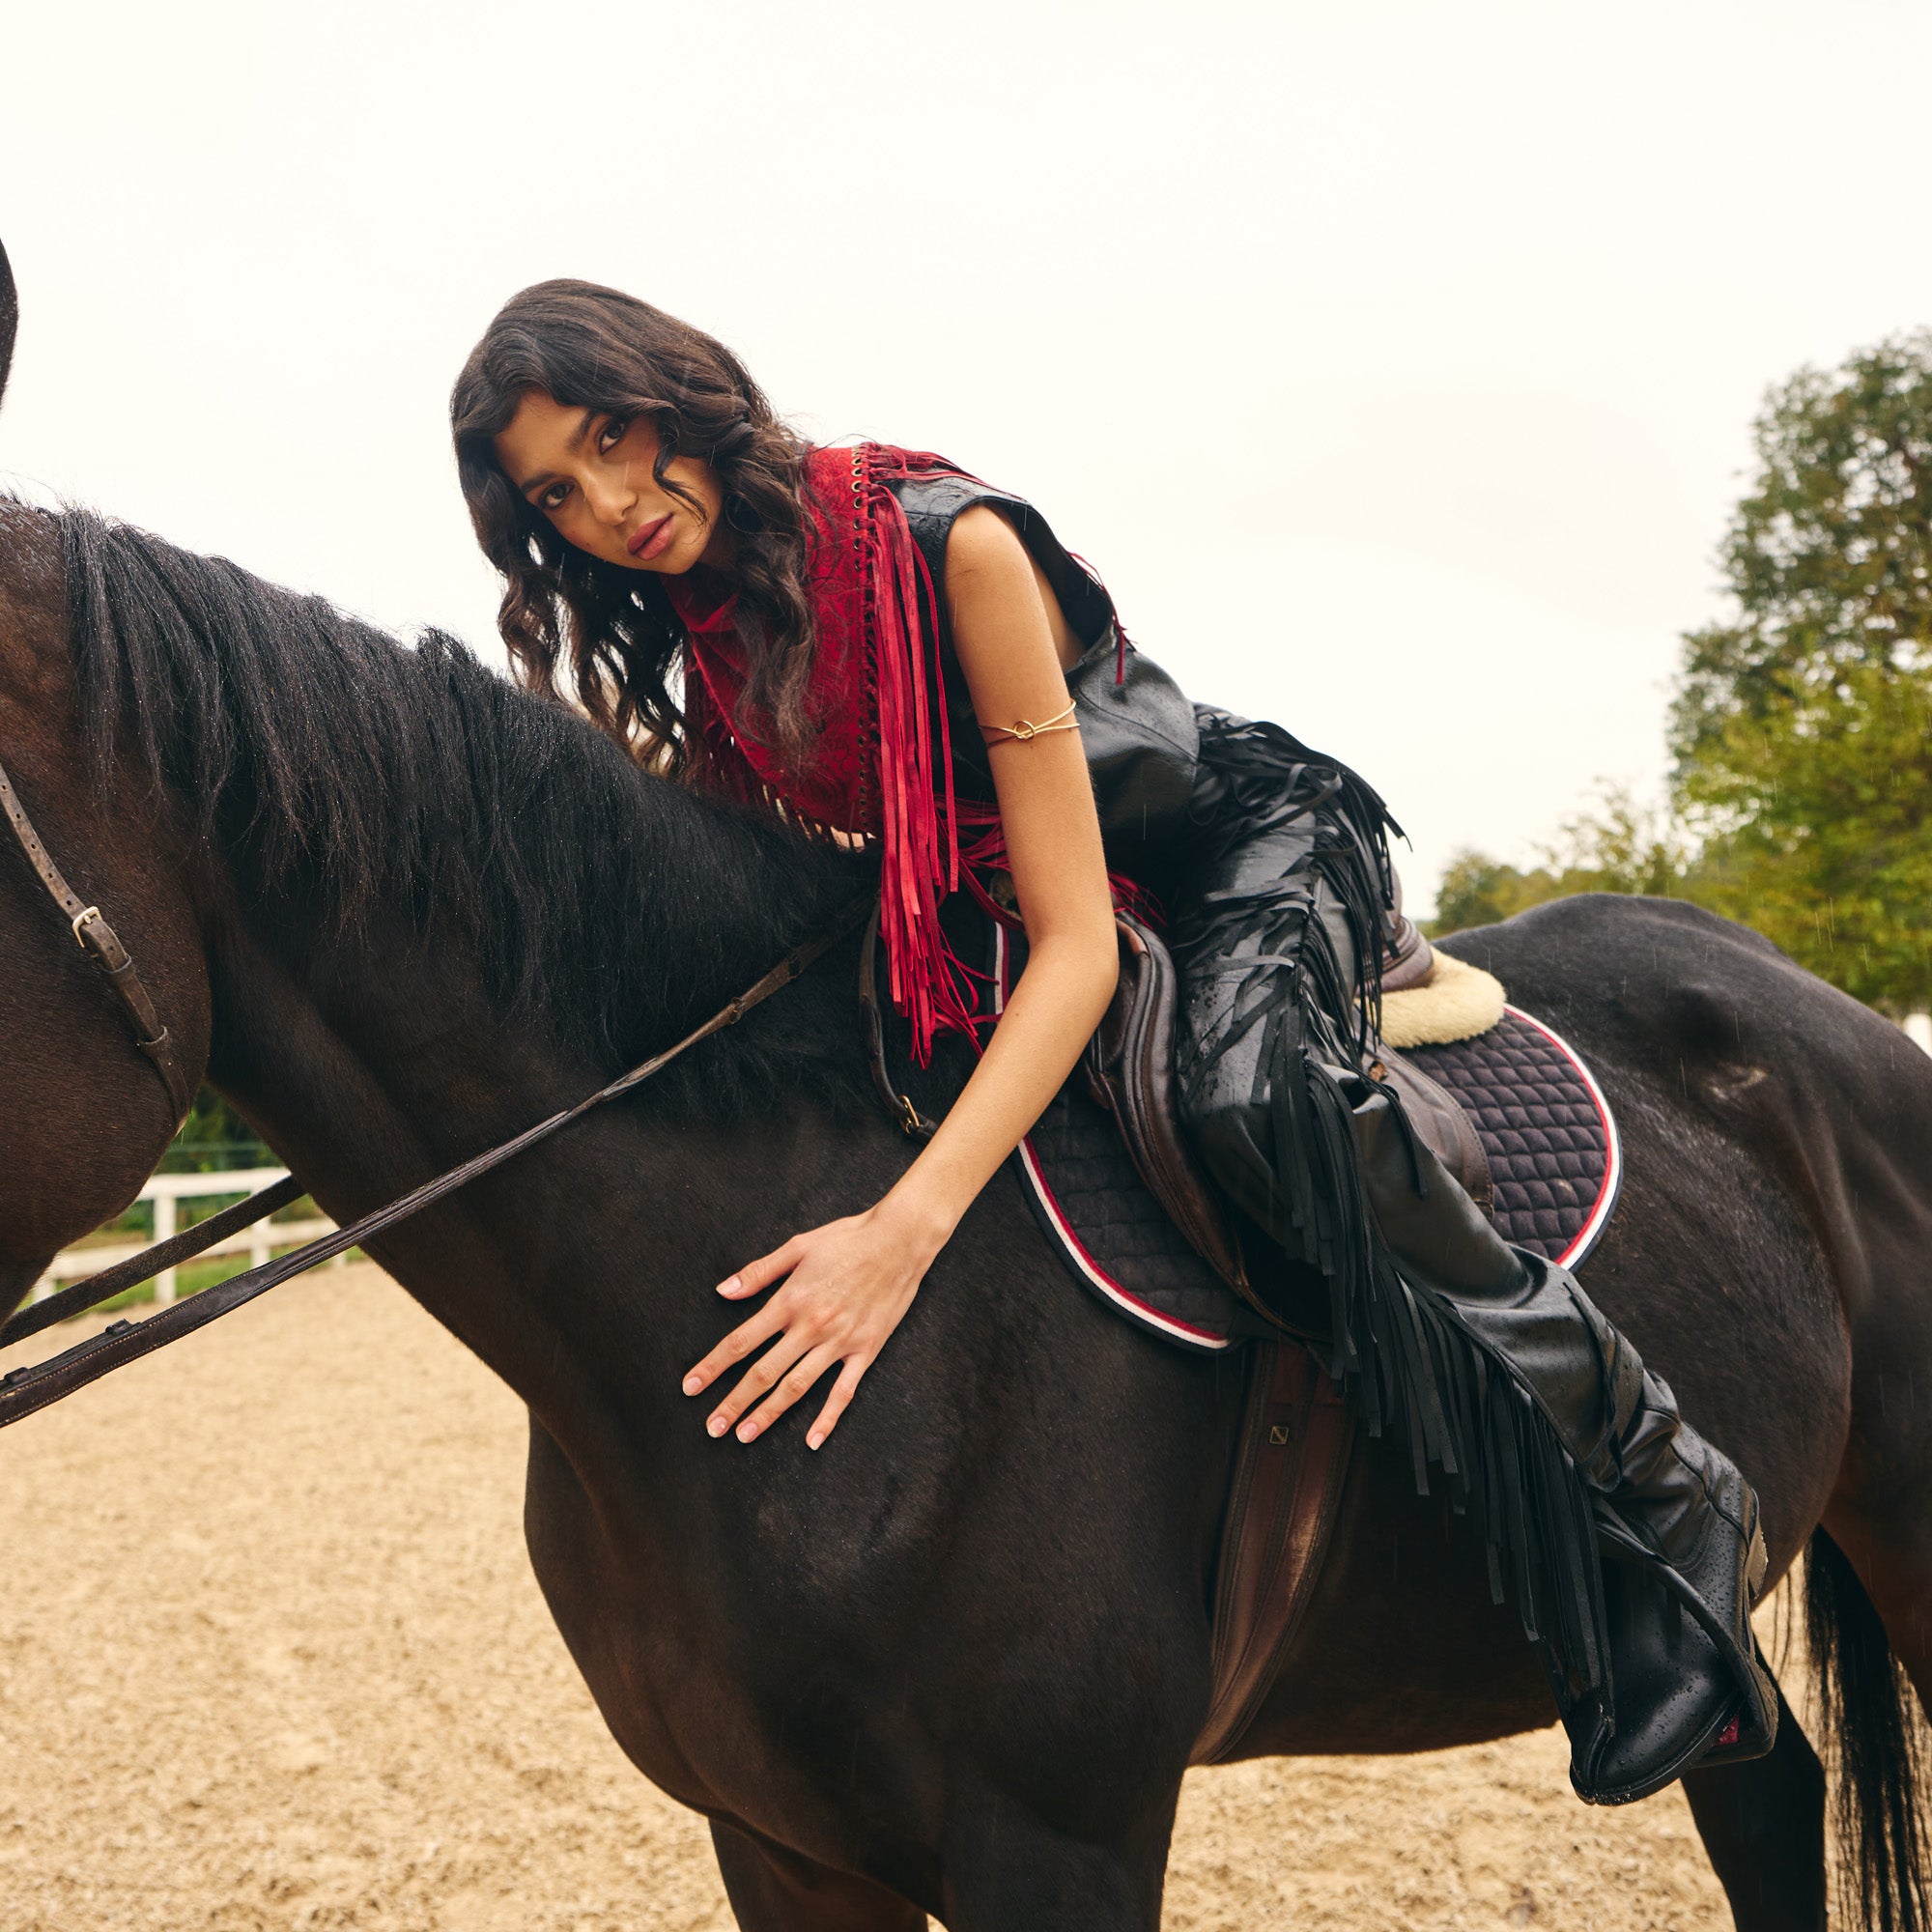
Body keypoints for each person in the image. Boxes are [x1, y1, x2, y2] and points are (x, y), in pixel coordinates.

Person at [449, 281, 1775, 1805]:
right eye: (560, 490)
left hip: (1236, 849)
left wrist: (904, 1231)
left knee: (1246, 1090)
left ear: (681, 393)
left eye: (617, 441)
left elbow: (1078, 946)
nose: (612, 503)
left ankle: (1667, 1479)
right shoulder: (711, 627)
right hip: (1023, 895)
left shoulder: (951, 544)